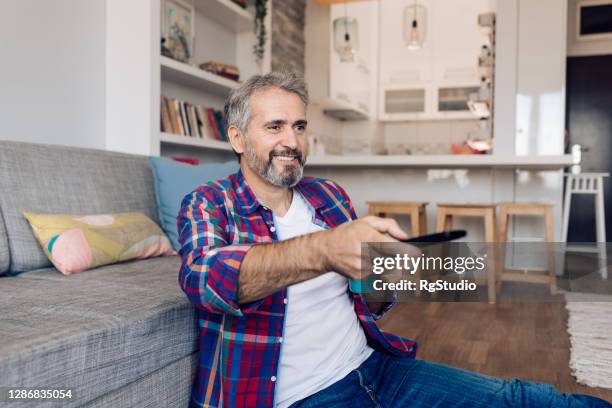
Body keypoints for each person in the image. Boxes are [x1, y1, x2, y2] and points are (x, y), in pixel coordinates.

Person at [177, 71, 610, 408]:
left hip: (376, 369)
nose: (292, 141)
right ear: (236, 137)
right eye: (275, 126)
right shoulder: (209, 204)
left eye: (299, 126)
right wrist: (325, 249)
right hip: (301, 397)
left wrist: (387, 277)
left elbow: (367, 301)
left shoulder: (328, 196)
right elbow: (205, 280)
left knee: (528, 400)